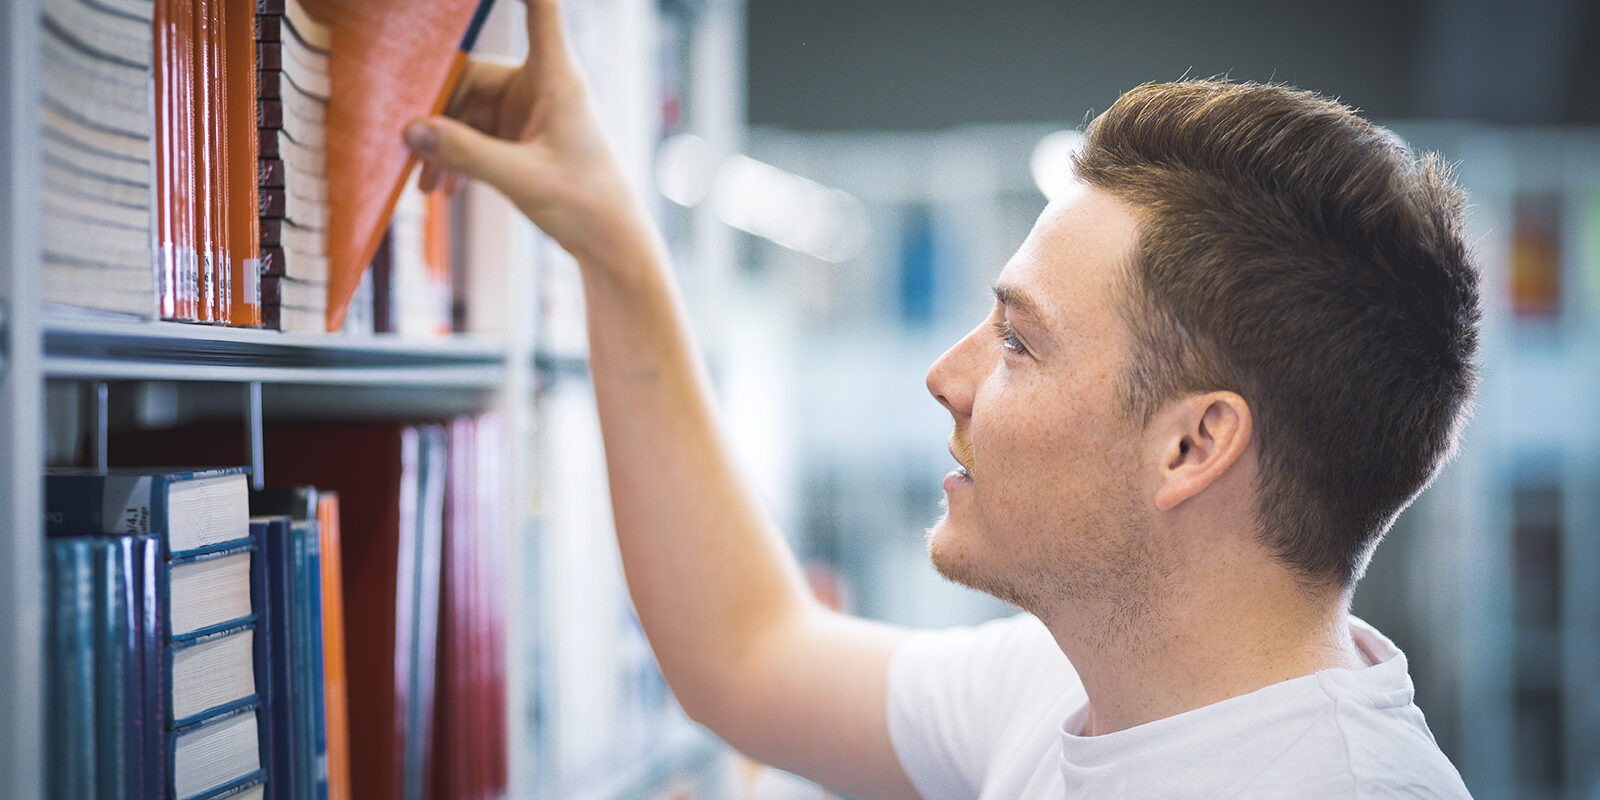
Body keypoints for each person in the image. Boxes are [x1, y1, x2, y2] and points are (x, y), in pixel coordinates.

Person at [403, 2, 1479, 797]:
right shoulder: (1076, 675)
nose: (945, 376)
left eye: (1017, 340)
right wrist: (612, 238)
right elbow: (748, 653)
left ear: (1192, 444)